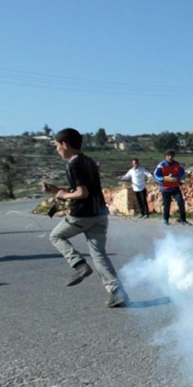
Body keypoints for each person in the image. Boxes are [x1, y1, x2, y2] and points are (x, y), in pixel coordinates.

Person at [42, 128, 128, 307]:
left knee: (56, 236)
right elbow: (81, 188)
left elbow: (82, 192)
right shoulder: (88, 161)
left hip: (82, 215)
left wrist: (63, 196)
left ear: (65, 144)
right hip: (99, 213)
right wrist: (57, 189)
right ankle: (116, 291)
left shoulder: (73, 164)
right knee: (99, 254)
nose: (57, 150)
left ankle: (79, 265)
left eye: (57, 146)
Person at [153, 150, 189, 225]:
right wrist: (164, 178)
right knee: (167, 204)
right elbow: (156, 175)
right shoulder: (161, 165)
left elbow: (183, 174)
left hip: (175, 187)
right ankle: (166, 219)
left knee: (181, 202)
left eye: (171, 156)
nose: (170, 157)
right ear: (166, 156)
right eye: (168, 156)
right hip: (165, 188)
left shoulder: (177, 164)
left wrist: (178, 178)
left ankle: (183, 219)